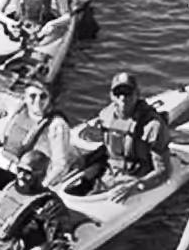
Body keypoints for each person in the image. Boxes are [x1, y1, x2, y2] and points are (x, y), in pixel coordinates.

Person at [60, 71, 170, 201]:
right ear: (112, 96)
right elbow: (108, 150)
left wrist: (135, 186)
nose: (123, 98)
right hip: (111, 173)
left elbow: (163, 172)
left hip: (137, 176)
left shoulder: (153, 126)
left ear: (137, 94)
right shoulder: (106, 116)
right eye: (118, 93)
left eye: (128, 92)